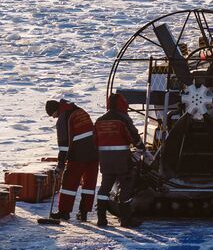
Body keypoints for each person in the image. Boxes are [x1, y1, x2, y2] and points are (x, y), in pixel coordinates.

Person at [42, 99, 98, 224]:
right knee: (89, 184)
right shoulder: (78, 111)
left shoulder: (63, 118)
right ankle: (83, 213)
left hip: (78, 155)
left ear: (56, 110)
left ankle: (64, 212)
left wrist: (60, 166)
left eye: (52, 115)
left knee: (69, 184)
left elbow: (64, 146)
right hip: (94, 152)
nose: (53, 117)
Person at [93, 92, 145, 227]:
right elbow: (133, 136)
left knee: (104, 188)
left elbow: (95, 140)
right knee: (126, 188)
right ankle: (126, 220)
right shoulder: (123, 119)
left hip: (105, 160)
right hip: (122, 159)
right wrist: (140, 147)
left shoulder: (100, 120)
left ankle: (101, 219)